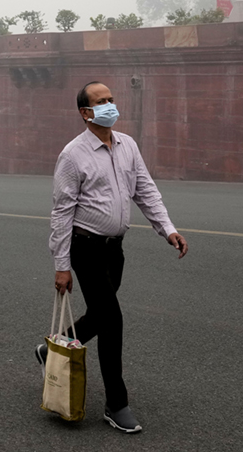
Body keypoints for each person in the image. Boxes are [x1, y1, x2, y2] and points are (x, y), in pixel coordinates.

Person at [38, 81, 189, 434]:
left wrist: (167, 229)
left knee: (100, 315)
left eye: (111, 99)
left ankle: (52, 351)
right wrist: (62, 266)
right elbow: (61, 213)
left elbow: (145, 190)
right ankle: (116, 404)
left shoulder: (128, 146)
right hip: (85, 248)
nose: (110, 105)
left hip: (114, 250)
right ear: (85, 113)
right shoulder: (72, 155)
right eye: (100, 101)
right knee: (113, 321)